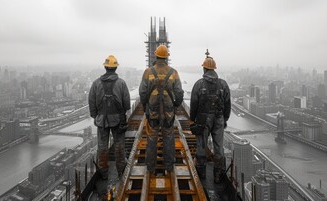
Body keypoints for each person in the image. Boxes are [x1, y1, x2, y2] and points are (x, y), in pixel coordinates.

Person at [139, 45, 184, 173]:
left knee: (152, 137)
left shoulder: (148, 72)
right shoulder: (173, 72)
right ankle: (169, 166)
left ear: (155, 56)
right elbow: (179, 93)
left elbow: (142, 92)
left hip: (152, 110)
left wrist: (145, 106)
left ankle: (151, 167)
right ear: (167, 57)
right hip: (168, 111)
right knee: (169, 136)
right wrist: (175, 105)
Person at [190, 51, 231, 183]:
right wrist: (224, 119)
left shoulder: (199, 84)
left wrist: (193, 118)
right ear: (214, 69)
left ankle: (201, 173)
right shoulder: (223, 85)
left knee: (202, 145)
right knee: (218, 147)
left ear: (204, 68)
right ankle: (218, 175)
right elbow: (228, 103)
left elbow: (194, 103)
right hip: (219, 118)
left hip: (202, 120)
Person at [89, 55, 131, 180]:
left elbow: (91, 101)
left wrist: (96, 116)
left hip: (101, 120)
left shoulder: (96, 83)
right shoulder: (121, 83)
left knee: (102, 147)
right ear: (115, 68)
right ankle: (121, 170)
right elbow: (127, 104)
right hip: (118, 120)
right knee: (119, 145)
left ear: (106, 67)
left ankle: (103, 173)